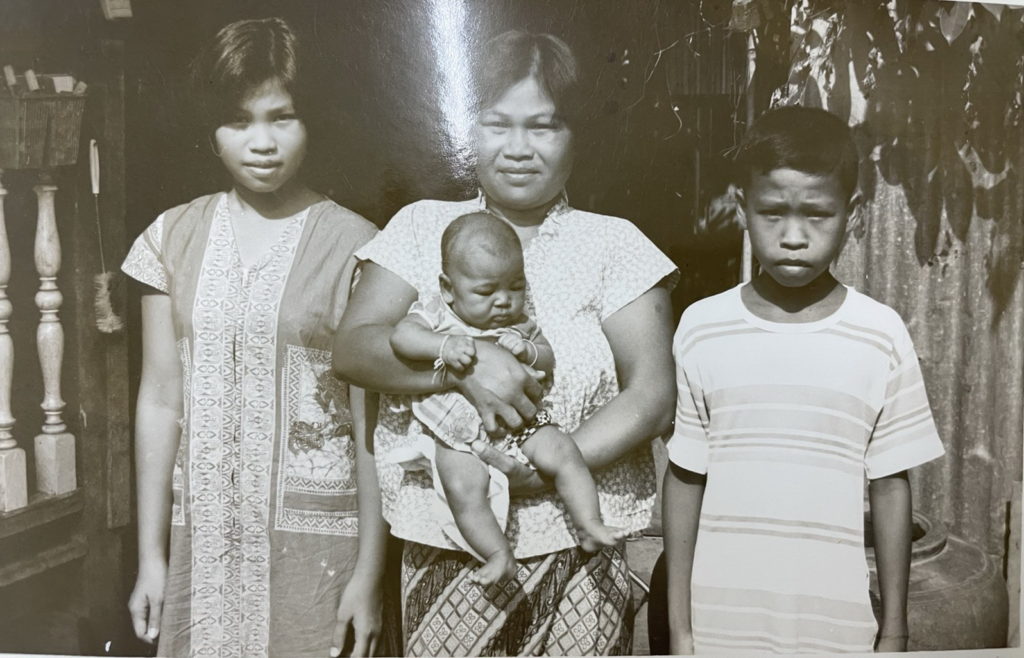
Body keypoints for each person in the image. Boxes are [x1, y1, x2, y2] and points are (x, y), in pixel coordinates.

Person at [333, 29, 677, 656]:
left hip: (583, 548)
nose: (519, 149)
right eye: (498, 124)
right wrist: (460, 371)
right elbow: (355, 349)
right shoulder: (420, 227)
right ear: (468, 127)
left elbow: (651, 395)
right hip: (451, 544)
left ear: (576, 136)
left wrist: (538, 467)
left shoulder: (616, 245)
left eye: (543, 127)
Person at [122, 18, 392, 658]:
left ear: (312, 122)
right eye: (239, 121)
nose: (262, 142)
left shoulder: (359, 248)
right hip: (200, 544)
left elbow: (373, 426)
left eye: (283, 117)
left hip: (318, 552)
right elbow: (160, 403)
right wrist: (151, 559)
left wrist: (369, 576)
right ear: (210, 132)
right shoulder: (169, 239)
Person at [662, 105, 945, 654]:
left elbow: (890, 487)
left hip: (836, 630)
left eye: (817, 215)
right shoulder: (703, 327)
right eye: (772, 212)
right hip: (721, 626)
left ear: (853, 213)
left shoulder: (879, 334)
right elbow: (685, 478)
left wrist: (895, 631)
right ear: (742, 208)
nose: (794, 236)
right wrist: (681, 630)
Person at [388, 211, 626, 587]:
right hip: (457, 434)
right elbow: (402, 337)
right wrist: (443, 344)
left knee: (565, 452)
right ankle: (499, 554)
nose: (503, 301)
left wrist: (528, 349)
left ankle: (589, 524)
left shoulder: (519, 321)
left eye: (515, 286)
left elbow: (547, 355)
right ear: (448, 288)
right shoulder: (434, 313)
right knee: (463, 487)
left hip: (523, 421)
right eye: (485, 292)